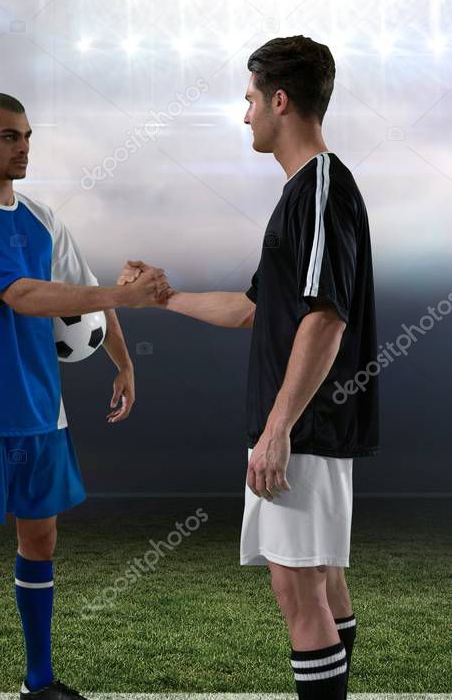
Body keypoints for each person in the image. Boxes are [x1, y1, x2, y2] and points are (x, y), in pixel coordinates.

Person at [118, 35, 378, 700]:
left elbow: (325, 316)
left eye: (249, 99)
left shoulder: (319, 187)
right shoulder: (304, 193)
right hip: (308, 427)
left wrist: (277, 426)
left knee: (297, 585)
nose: (245, 115)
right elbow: (252, 309)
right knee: (318, 576)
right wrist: (167, 296)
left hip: (306, 428)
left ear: (279, 101)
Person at [0, 91, 170, 700]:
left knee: (41, 540)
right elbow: (26, 296)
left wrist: (125, 364)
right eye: (9, 136)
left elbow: (85, 290)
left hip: (43, 412)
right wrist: (123, 297)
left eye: (28, 135)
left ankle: (40, 682)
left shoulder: (42, 218)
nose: (24, 147)